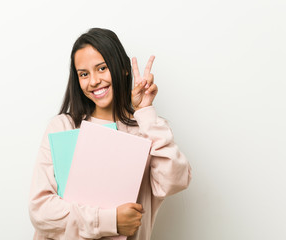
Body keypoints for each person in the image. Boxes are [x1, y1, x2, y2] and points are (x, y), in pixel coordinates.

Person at [29, 28, 191, 240]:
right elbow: (41, 213)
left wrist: (145, 113)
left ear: (123, 69)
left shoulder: (146, 128)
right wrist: (111, 220)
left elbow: (174, 182)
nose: (94, 81)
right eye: (84, 74)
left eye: (102, 68)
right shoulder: (63, 127)